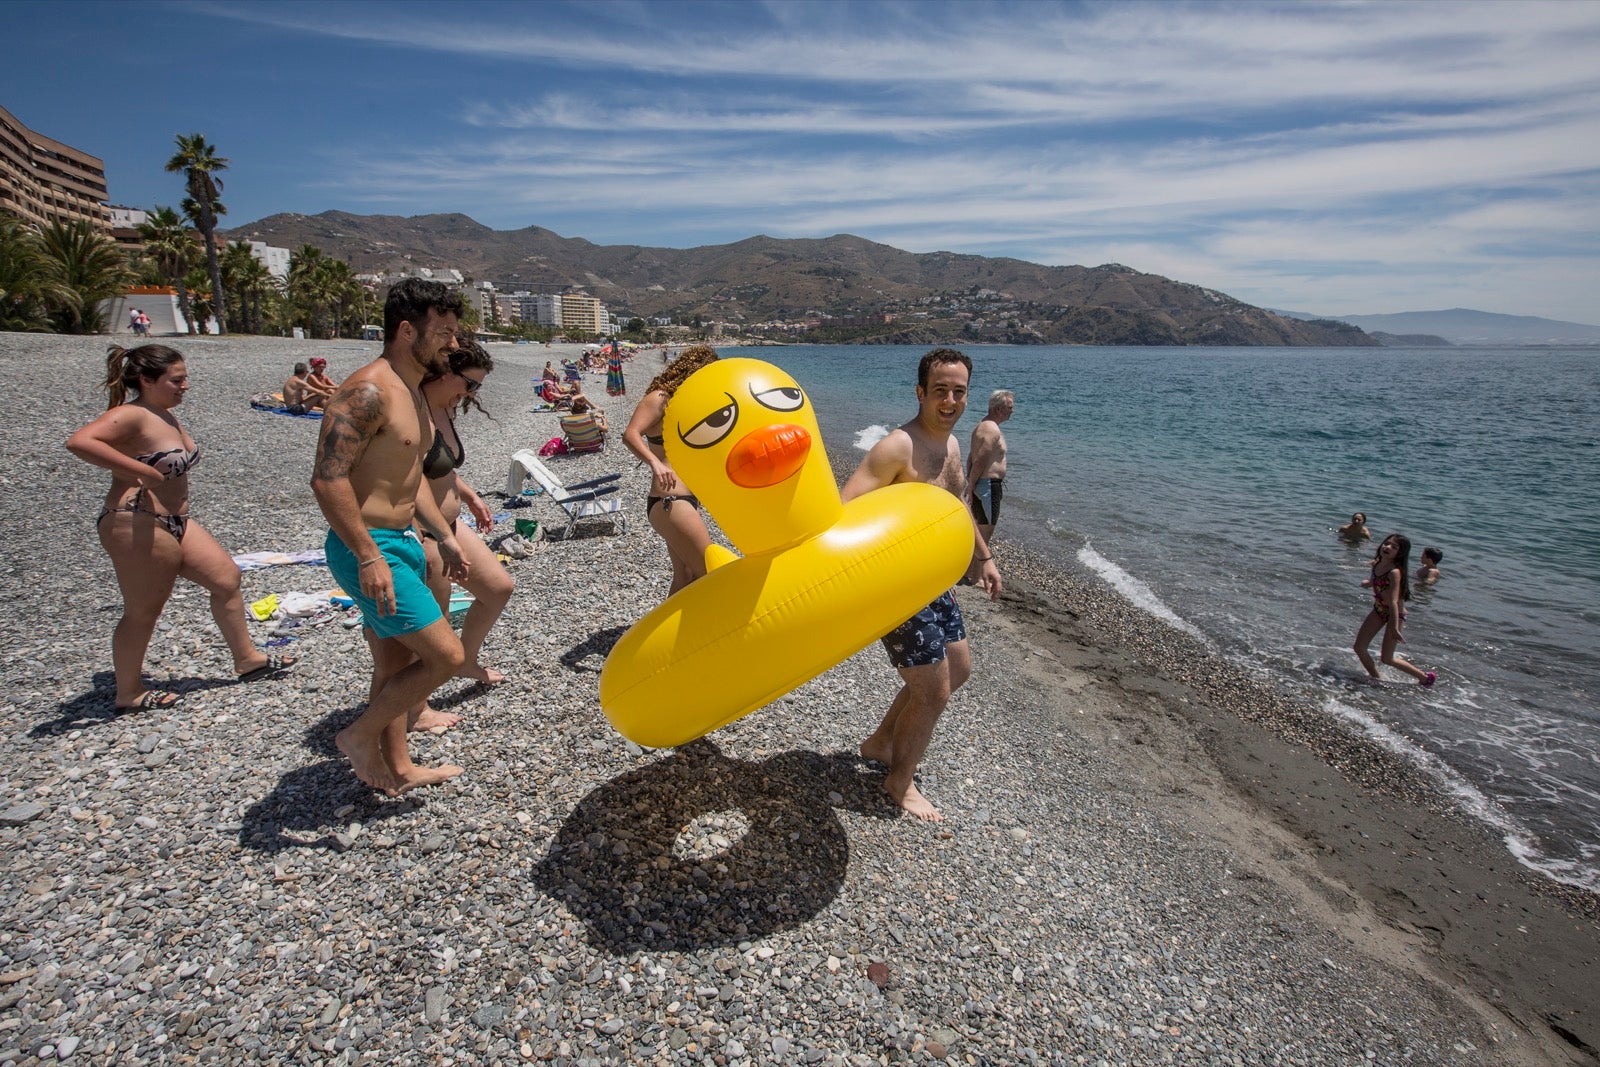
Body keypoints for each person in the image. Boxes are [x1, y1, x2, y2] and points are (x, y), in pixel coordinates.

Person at [66, 344, 294, 711]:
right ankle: (129, 692)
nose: (185, 385)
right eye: (177, 379)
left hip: (176, 521)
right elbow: (79, 441)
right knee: (144, 610)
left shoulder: (165, 414)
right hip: (136, 521)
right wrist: (139, 471)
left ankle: (247, 658)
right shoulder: (132, 414)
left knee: (226, 578)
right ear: (146, 379)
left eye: (184, 377)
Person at [311, 278, 471, 795]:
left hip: (402, 539)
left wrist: (443, 534)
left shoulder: (412, 392)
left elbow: (411, 476)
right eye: (444, 332)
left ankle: (398, 769)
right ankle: (359, 735)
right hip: (371, 545)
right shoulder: (369, 390)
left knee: (395, 660)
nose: (454, 343)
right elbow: (327, 478)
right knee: (446, 656)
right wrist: (367, 555)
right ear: (407, 330)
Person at [841, 348, 1002, 821]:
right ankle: (900, 783)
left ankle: (881, 743)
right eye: (940, 391)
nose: (950, 400)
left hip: (936, 582)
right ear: (920, 393)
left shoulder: (952, 446)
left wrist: (984, 556)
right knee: (933, 692)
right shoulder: (898, 447)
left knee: (960, 669)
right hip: (901, 585)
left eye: (959, 391)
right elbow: (845, 509)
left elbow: (958, 503)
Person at [416, 333, 514, 695]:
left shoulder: (444, 407)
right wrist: (439, 536)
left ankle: (466, 661)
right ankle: (415, 708)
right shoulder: (414, 410)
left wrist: (470, 496)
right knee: (433, 623)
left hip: (451, 524)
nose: (472, 392)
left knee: (498, 589)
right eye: (470, 383)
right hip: (424, 531)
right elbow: (408, 479)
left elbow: (441, 468)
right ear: (444, 372)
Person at [623, 344, 720, 594]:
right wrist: (654, 463)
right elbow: (630, 434)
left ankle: (669, 632)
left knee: (685, 576)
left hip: (684, 500)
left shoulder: (688, 405)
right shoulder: (659, 398)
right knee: (710, 573)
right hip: (670, 499)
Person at [1354, 532, 1436, 687]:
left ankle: (1426, 678)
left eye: (1394, 547)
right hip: (1379, 609)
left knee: (1387, 658)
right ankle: (1377, 678)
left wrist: (1393, 627)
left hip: (1395, 614)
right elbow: (1376, 580)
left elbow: (1393, 601)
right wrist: (1368, 583)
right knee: (1359, 647)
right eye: (1387, 543)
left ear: (1400, 553)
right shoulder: (1377, 563)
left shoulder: (1394, 572)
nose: (1388, 547)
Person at [965, 389, 1013, 543]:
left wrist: (971, 482)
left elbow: (970, 457)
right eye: (1010, 407)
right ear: (998, 409)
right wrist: (970, 486)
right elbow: (979, 459)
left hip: (982, 485)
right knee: (984, 537)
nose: (1013, 410)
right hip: (988, 487)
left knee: (977, 534)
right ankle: (978, 566)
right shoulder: (992, 429)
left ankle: (971, 565)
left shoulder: (982, 425)